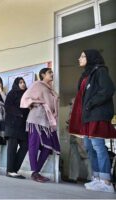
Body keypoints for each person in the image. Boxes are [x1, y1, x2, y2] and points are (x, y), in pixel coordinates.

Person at [69, 49, 116, 193]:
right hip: (88, 117)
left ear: (90, 58)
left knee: (98, 147)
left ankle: (106, 181)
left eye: (82, 56)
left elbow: (108, 89)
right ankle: (97, 178)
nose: (79, 58)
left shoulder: (100, 71)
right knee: (89, 148)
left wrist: (90, 104)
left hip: (97, 115)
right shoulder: (86, 75)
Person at [20, 68, 60, 183]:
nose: (52, 74)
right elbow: (25, 98)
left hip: (47, 121)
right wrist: (35, 103)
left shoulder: (50, 89)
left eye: (52, 72)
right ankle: (35, 172)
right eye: (49, 73)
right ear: (43, 75)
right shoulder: (37, 84)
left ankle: (36, 172)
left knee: (48, 146)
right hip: (36, 118)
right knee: (34, 145)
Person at [4, 77, 30, 179]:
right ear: (16, 84)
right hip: (12, 124)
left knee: (25, 146)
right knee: (12, 147)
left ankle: (14, 170)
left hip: (23, 125)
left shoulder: (27, 94)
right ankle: (10, 170)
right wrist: (19, 114)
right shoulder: (12, 93)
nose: (23, 84)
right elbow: (7, 106)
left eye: (23, 82)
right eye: (20, 82)